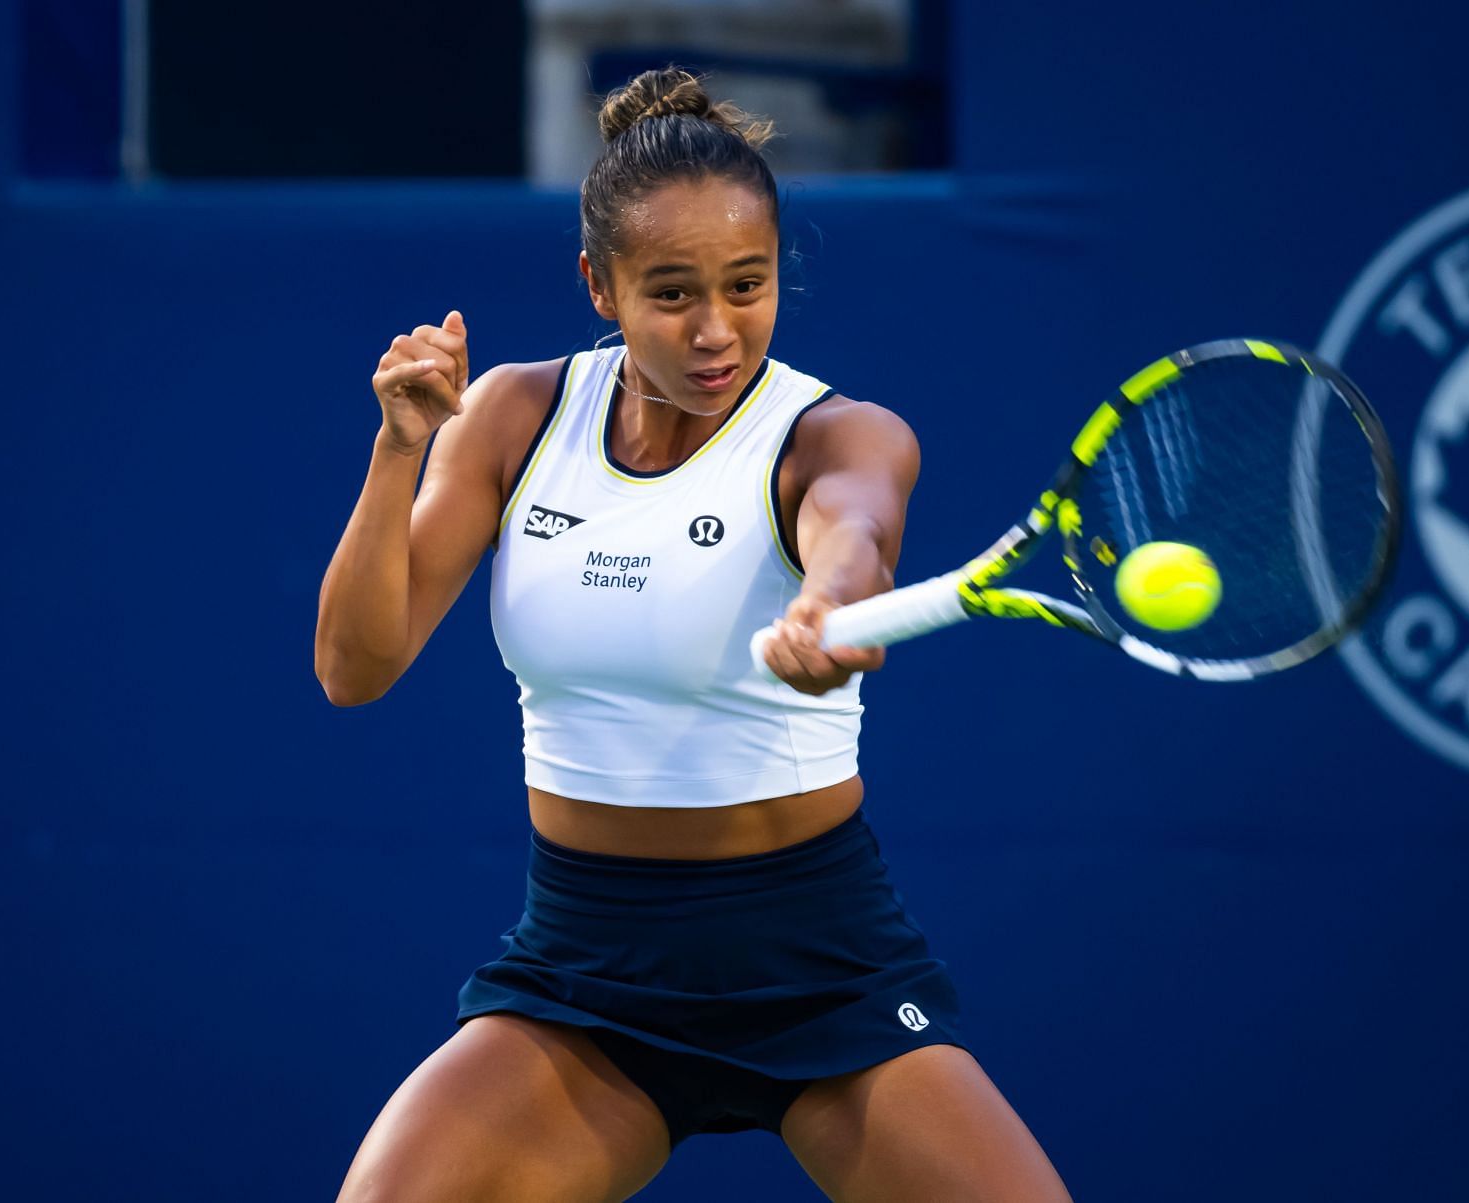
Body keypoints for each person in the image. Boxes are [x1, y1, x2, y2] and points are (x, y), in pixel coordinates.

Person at [316, 68, 1072, 1203]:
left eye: (748, 285)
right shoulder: (514, 419)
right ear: (600, 286)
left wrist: (830, 596)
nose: (717, 331)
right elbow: (353, 669)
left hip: (820, 965)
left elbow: (854, 528)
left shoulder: (839, 434)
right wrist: (398, 453)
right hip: (586, 975)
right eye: (672, 294)